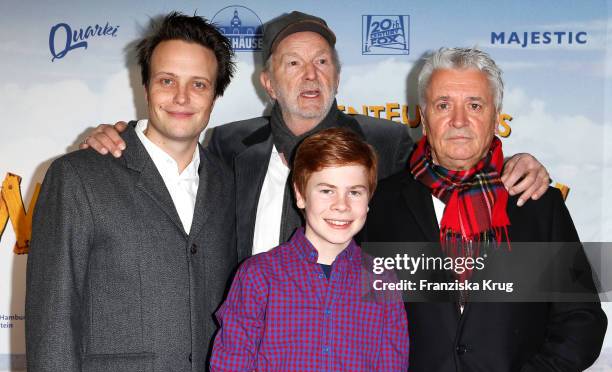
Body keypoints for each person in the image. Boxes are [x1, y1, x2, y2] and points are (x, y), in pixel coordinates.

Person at [80, 11, 551, 264]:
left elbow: (454, 171)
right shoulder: (225, 144)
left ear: (338, 76)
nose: (310, 74)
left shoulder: (388, 144)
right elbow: (170, 163)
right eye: (293, 63)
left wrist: (516, 161)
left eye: (322, 61)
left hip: (347, 345)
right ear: (269, 82)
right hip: (247, 347)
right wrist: (119, 139)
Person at [364, 47, 607, 372]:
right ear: (423, 116)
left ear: (495, 118)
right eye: (443, 104)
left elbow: (581, 320)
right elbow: (347, 318)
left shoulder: (539, 207)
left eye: (475, 105)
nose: (459, 120)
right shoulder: (378, 208)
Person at [26, 13, 237, 372]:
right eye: (167, 80)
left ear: (214, 96)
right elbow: (50, 324)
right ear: (145, 85)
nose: (181, 97)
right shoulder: (78, 176)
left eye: (199, 84)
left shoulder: (227, 185)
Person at [207, 128, 409, 372]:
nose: (341, 205)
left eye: (355, 192)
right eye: (326, 190)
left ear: (369, 200)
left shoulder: (381, 279)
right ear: (300, 195)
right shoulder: (258, 276)